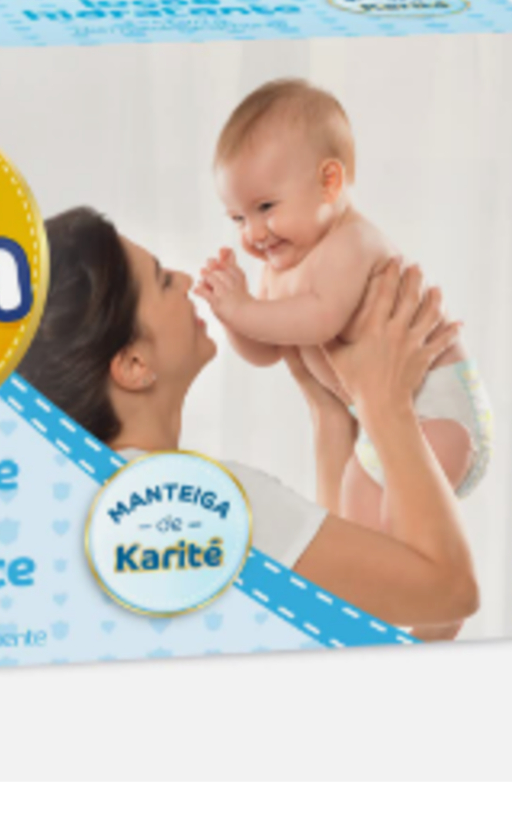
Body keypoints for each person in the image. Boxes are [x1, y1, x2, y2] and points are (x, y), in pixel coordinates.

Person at [17, 206, 479, 632]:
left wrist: (329, 415)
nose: (184, 279)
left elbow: (348, 611)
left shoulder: (105, 508)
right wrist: (385, 403)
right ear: (134, 364)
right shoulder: (200, 505)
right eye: (162, 280)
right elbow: (449, 594)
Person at [195, 78, 492, 537]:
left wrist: (244, 309)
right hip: (379, 420)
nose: (252, 233)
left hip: (441, 411)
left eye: (266, 206)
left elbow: (319, 320)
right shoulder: (279, 265)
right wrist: (232, 315)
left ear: (329, 182)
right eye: (238, 218)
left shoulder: (351, 242)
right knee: (355, 526)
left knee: (396, 532)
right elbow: (267, 350)